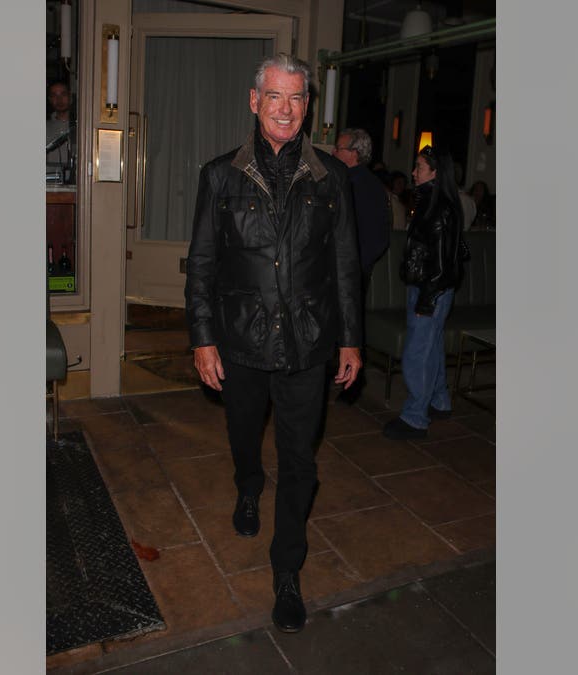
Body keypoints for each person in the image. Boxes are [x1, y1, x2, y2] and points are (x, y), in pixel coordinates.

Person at [185, 53, 362, 633]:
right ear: (255, 101)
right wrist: (204, 339)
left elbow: (344, 266)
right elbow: (203, 266)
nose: (286, 108)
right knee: (243, 435)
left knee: (300, 462)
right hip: (240, 342)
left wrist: (350, 340)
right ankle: (246, 484)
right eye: (275, 97)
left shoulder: (331, 177)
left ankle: (287, 571)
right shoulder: (219, 176)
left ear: (307, 107)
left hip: (308, 345)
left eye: (297, 98)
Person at [382, 145, 465, 440]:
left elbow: (442, 260)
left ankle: (416, 417)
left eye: (419, 166)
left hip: (431, 289)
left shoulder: (439, 205)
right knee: (431, 346)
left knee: (417, 352)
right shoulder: (436, 200)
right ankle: (439, 401)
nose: (413, 172)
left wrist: (428, 299)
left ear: (435, 172)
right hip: (431, 287)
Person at [332, 128, 390, 405]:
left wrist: (355, 266)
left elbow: (377, 237)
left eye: (339, 148)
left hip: (351, 272)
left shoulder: (364, 186)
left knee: (349, 328)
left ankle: (352, 385)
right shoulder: (346, 179)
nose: (334, 152)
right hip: (341, 271)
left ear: (353, 154)